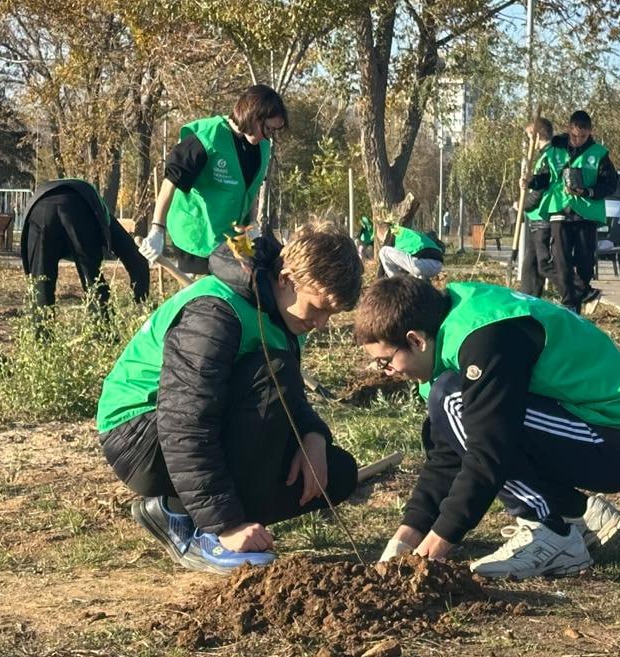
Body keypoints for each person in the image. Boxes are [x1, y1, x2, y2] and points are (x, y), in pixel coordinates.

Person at [96, 227, 364, 574]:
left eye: (331, 315)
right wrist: (226, 525)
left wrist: (312, 434)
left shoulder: (277, 308)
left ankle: (178, 507)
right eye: (318, 308)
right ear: (285, 279)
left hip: (189, 428)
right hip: (141, 437)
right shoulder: (214, 313)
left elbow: (287, 395)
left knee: (336, 473)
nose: (321, 323)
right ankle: (206, 531)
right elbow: (184, 422)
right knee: (274, 372)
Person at [357, 277, 620, 580]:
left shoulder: (484, 337)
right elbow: (447, 457)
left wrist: (431, 551)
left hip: (615, 439)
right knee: (452, 401)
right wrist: (405, 539)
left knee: (456, 402)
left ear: (416, 340)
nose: (388, 373)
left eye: (386, 362)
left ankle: (551, 532)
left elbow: (489, 452)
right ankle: (576, 514)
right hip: (581, 427)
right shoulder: (447, 335)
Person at [140, 85, 286, 275]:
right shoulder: (206, 139)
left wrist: (252, 226)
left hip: (232, 240)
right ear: (253, 116)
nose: (269, 136)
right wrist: (157, 230)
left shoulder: (261, 147)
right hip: (197, 236)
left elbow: (250, 190)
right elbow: (171, 183)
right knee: (201, 297)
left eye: (273, 131)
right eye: (267, 128)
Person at [527, 112, 617, 311]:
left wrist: (588, 190)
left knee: (585, 262)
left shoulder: (599, 153)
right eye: (574, 136)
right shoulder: (555, 150)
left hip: (586, 213)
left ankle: (583, 291)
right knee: (562, 261)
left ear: (590, 132)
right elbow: (544, 177)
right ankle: (570, 304)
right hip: (560, 211)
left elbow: (610, 184)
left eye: (582, 136)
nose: (577, 140)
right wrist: (531, 182)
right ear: (569, 129)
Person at [19, 179, 149, 311]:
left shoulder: (100, 211)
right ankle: (100, 328)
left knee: (40, 286)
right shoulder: (103, 216)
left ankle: (40, 329)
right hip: (79, 206)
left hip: (39, 210)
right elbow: (135, 258)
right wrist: (141, 303)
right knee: (93, 282)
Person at [519, 117, 557, 298]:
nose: (529, 143)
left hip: (542, 217)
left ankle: (581, 291)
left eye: (529, 138)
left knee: (543, 265)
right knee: (531, 266)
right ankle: (528, 300)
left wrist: (522, 205)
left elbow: (541, 189)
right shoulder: (544, 156)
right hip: (536, 217)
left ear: (537, 135)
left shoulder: (547, 157)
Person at [377, 222, 444, 279]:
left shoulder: (392, 231)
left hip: (421, 263)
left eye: (381, 241)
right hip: (437, 264)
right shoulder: (405, 233)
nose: (383, 242)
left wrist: (378, 282)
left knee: (383, 251)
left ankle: (398, 284)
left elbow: (382, 266)